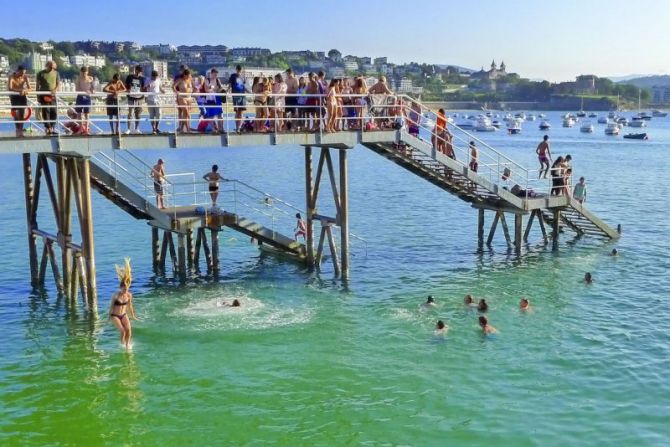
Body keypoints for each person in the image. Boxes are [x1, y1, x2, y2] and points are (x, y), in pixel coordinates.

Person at [108, 258, 139, 349]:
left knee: (129, 330)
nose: (125, 290)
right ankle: (122, 344)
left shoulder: (129, 295)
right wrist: (108, 317)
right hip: (115, 315)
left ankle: (127, 345)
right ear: (120, 288)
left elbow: (130, 306)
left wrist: (133, 316)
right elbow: (111, 307)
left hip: (123, 314)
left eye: (127, 288)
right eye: (124, 288)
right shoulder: (115, 296)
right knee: (122, 331)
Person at [35, 61, 60, 135]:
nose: (52, 68)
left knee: (54, 112)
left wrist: (55, 90)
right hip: (43, 94)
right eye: (51, 66)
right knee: (46, 112)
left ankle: (52, 128)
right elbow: (37, 85)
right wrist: (38, 96)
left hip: (52, 95)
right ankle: (48, 128)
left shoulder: (56, 73)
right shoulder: (41, 73)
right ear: (47, 66)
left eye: (53, 66)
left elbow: (58, 83)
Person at [8, 66, 31, 137]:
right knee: (16, 112)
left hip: (22, 95)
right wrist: (20, 90)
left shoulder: (25, 77)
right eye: (21, 73)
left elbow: (30, 88)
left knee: (22, 112)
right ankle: (17, 128)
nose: (22, 75)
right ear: (17, 71)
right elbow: (10, 88)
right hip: (14, 96)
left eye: (23, 73)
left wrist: (25, 90)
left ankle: (20, 129)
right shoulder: (11, 77)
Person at [203, 69, 225, 133]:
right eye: (215, 74)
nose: (216, 76)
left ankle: (221, 128)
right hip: (210, 99)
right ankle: (213, 129)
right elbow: (206, 90)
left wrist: (219, 90)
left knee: (220, 114)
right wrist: (214, 89)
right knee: (211, 114)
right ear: (211, 73)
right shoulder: (207, 80)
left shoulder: (218, 80)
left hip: (217, 98)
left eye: (216, 75)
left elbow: (221, 88)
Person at [125, 65, 145, 134]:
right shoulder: (130, 77)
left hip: (140, 98)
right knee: (130, 113)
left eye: (140, 72)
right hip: (131, 97)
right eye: (138, 71)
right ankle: (128, 129)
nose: (139, 73)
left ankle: (137, 128)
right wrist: (128, 90)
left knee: (138, 114)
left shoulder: (142, 78)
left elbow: (143, 87)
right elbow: (126, 85)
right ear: (135, 70)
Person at [74, 66, 94, 135]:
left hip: (87, 97)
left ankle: (86, 129)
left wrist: (91, 90)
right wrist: (85, 91)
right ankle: (81, 128)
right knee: (79, 113)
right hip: (80, 96)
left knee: (87, 113)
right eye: (82, 73)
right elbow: (77, 89)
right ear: (80, 72)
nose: (84, 75)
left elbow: (92, 88)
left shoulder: (90, 78)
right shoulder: (78, 79)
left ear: (87, 72)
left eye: (85, 73)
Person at [229, 65, 247, 132]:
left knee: (241, 112)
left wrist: (249, 92)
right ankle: (237, 127)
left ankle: (239, 127)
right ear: (236, 69)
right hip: (236, 96)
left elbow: (243, 86)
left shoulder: (243, 77)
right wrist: (227, 92)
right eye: (238, 70)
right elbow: (230, 85)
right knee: (237, 112)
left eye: (240, 70)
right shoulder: (233, 76)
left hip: (242, 96)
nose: (239, 71)